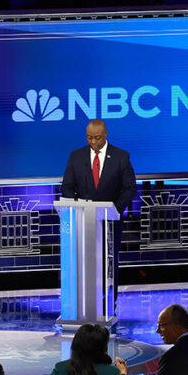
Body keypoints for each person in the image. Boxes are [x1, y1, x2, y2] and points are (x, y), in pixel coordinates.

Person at [60, 119, 137, 306]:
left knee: (109, 261)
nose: (93, 142)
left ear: (105, 135)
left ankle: (109, 301)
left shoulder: (121, 157)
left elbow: (130, 188)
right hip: (83, 220)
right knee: (84, 260)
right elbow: (67, 187)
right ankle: (84, 299)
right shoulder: (76, 156)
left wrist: (115, 209)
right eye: (89, 138)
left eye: (97, 138)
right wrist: (77, 207)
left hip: (111, 221)